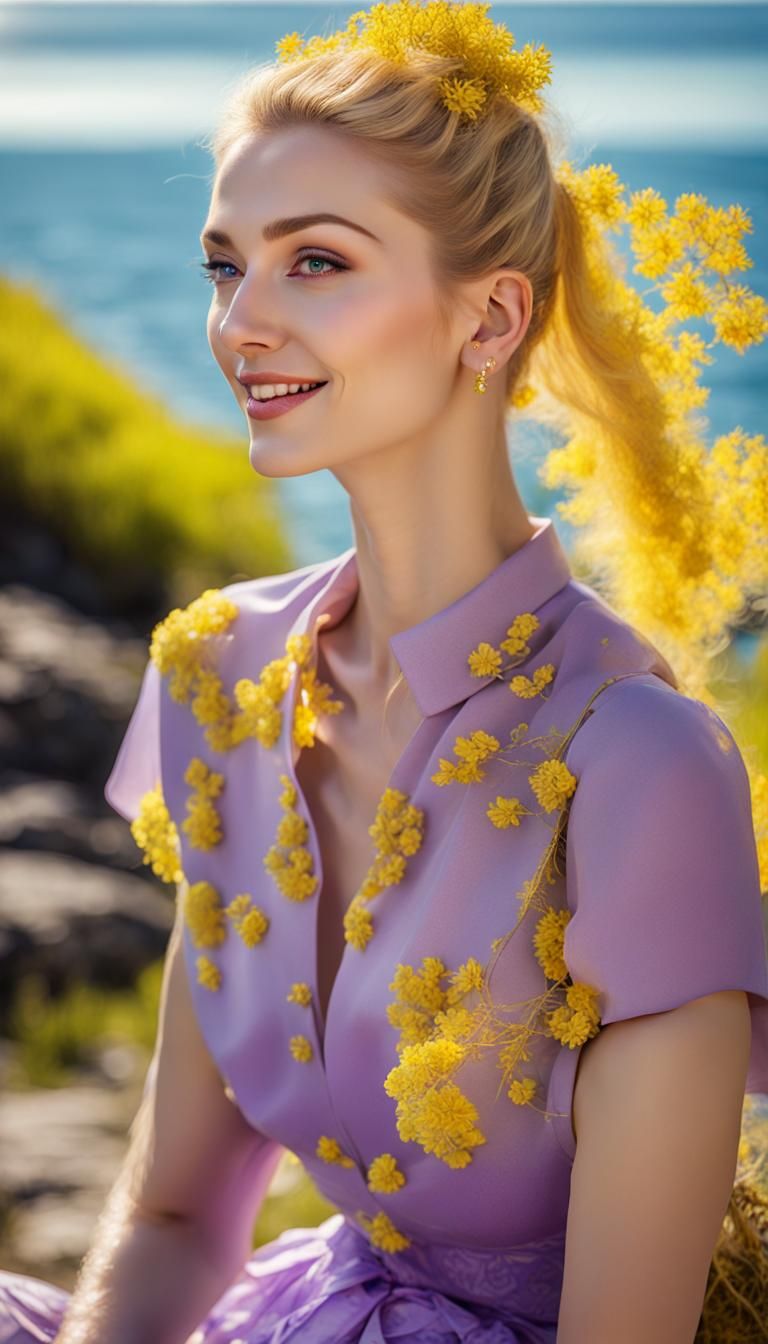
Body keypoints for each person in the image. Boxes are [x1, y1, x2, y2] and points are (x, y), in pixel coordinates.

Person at [2, 2, 768, 1340]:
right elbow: (177, 1218)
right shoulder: (219, 675)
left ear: (489, 319)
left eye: (316, 263)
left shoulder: (635, 762)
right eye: (224, 265)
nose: (241, 319)